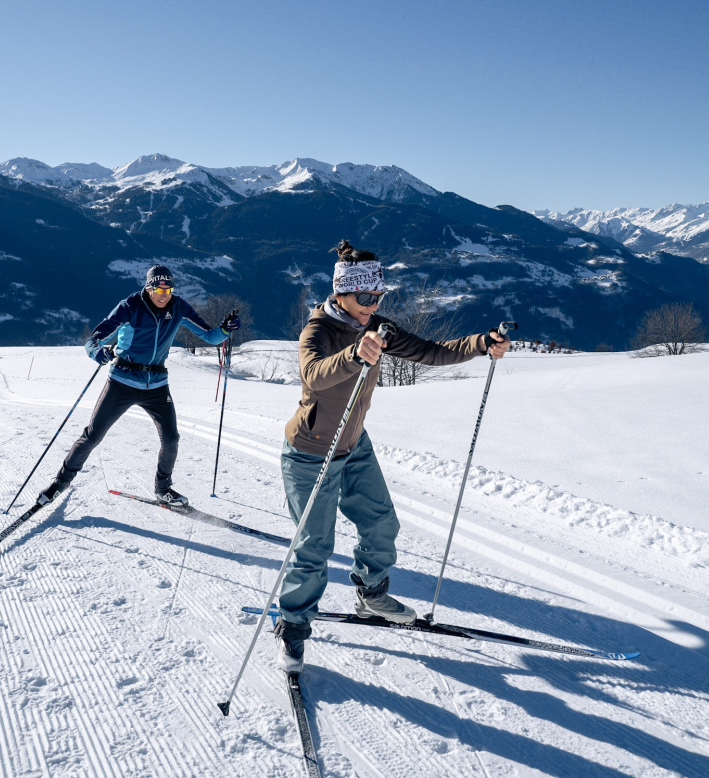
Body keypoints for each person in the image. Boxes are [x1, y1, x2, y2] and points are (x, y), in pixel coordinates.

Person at [275, 241, 510, 672]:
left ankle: (371, 593)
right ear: (341, 293)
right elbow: (313, 374)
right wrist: (353, 354)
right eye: (365, 298)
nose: (372, 306)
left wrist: (481, 342)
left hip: (354, 444)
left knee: (382, 522)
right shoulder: (319, 331)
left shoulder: (378, 327)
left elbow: (431, 351)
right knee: (314, 547)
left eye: (378, 297)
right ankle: (291, 627)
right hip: (311, 453)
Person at [36, 265, 241, 508]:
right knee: (93, 436)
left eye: (168, 289)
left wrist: (226, 329)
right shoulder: (130, 306)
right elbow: (94, 339)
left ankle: (163, 489)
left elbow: (210, 336)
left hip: (156, 386)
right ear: (149, 287)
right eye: (158, 289)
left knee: (172, 439)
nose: (164, 294)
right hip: (122, 382)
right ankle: (61, 482)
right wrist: (97, 352)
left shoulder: (178, 307)